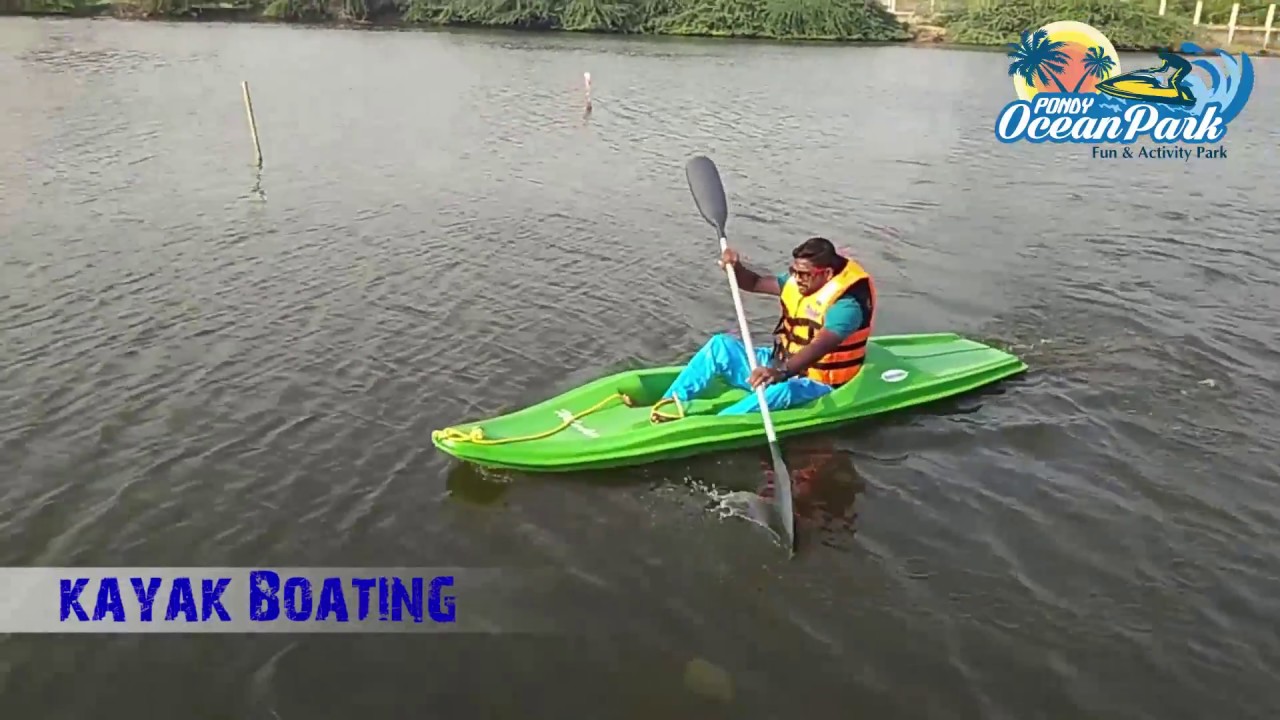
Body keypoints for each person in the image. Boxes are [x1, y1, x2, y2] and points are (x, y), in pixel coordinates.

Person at [649, 237, 877, 423]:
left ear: (826, 274)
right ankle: (669, 403)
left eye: (804, 274)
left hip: (817, 380)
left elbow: (821, 345)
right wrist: (735, 268)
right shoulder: (800, 280)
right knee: (721, 345)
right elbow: (755, 282)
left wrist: (782, 372)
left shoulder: (847, 305)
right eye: (794, 271)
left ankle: (717, 424)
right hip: (780, 361)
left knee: (783, 390)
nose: (796, 279)